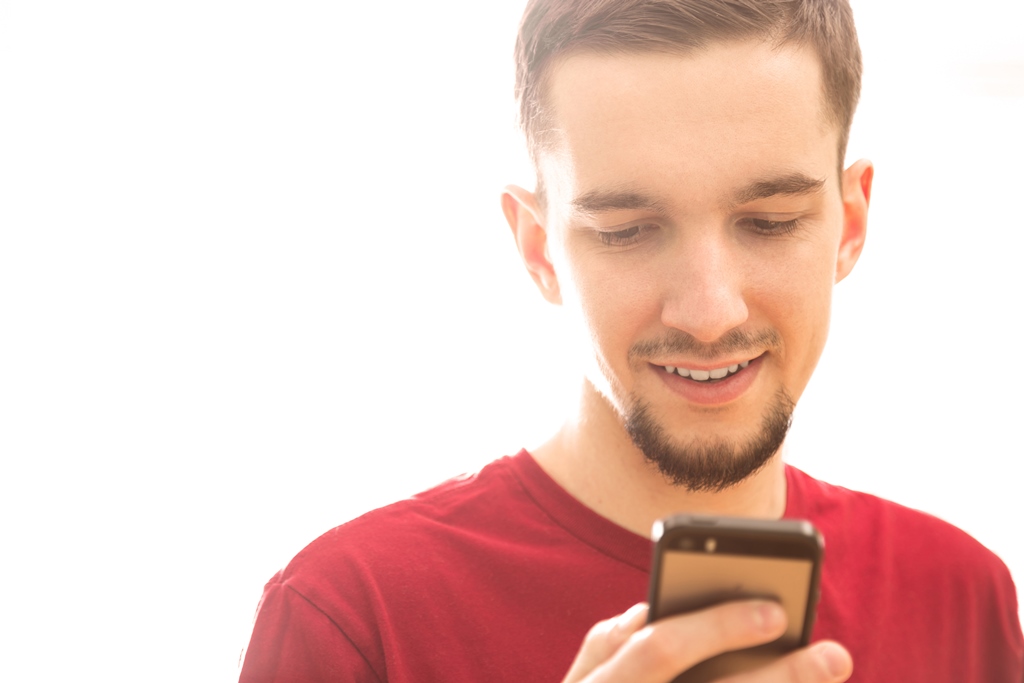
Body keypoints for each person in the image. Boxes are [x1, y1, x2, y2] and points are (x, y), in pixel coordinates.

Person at [238, 0, 1024, 681]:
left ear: (850, 226)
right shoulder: (349, 617)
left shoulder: (965, 596)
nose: (709, 312)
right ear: (540, 248)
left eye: (772, 223)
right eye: (627, 231)